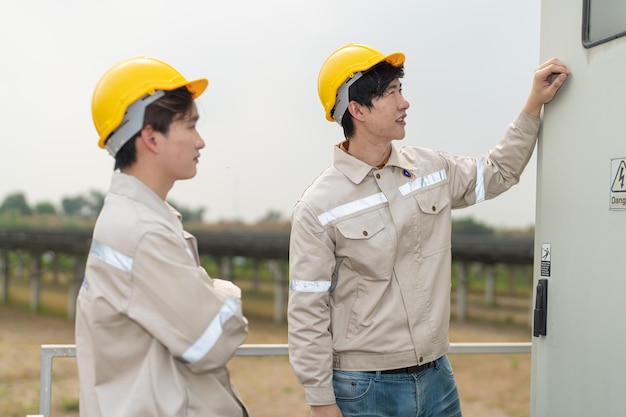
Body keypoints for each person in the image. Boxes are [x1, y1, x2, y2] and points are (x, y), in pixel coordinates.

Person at [287, 43, 569, 417]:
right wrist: (321, 402)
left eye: (400, 91)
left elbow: (498, 173)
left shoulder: (430, 169)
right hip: (363, 389)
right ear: (357, 110)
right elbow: (307, 311)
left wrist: (533, 105)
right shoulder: (318, 206)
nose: (405, 103)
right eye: (391, 93)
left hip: (437, 378)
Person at [75, 56, 249, 417]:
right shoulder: (141, 232)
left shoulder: (136, 218)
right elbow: (212, 342)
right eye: (190, 126)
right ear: (151, 136)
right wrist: (225, 292)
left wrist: (201, 292)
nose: (200, 141)